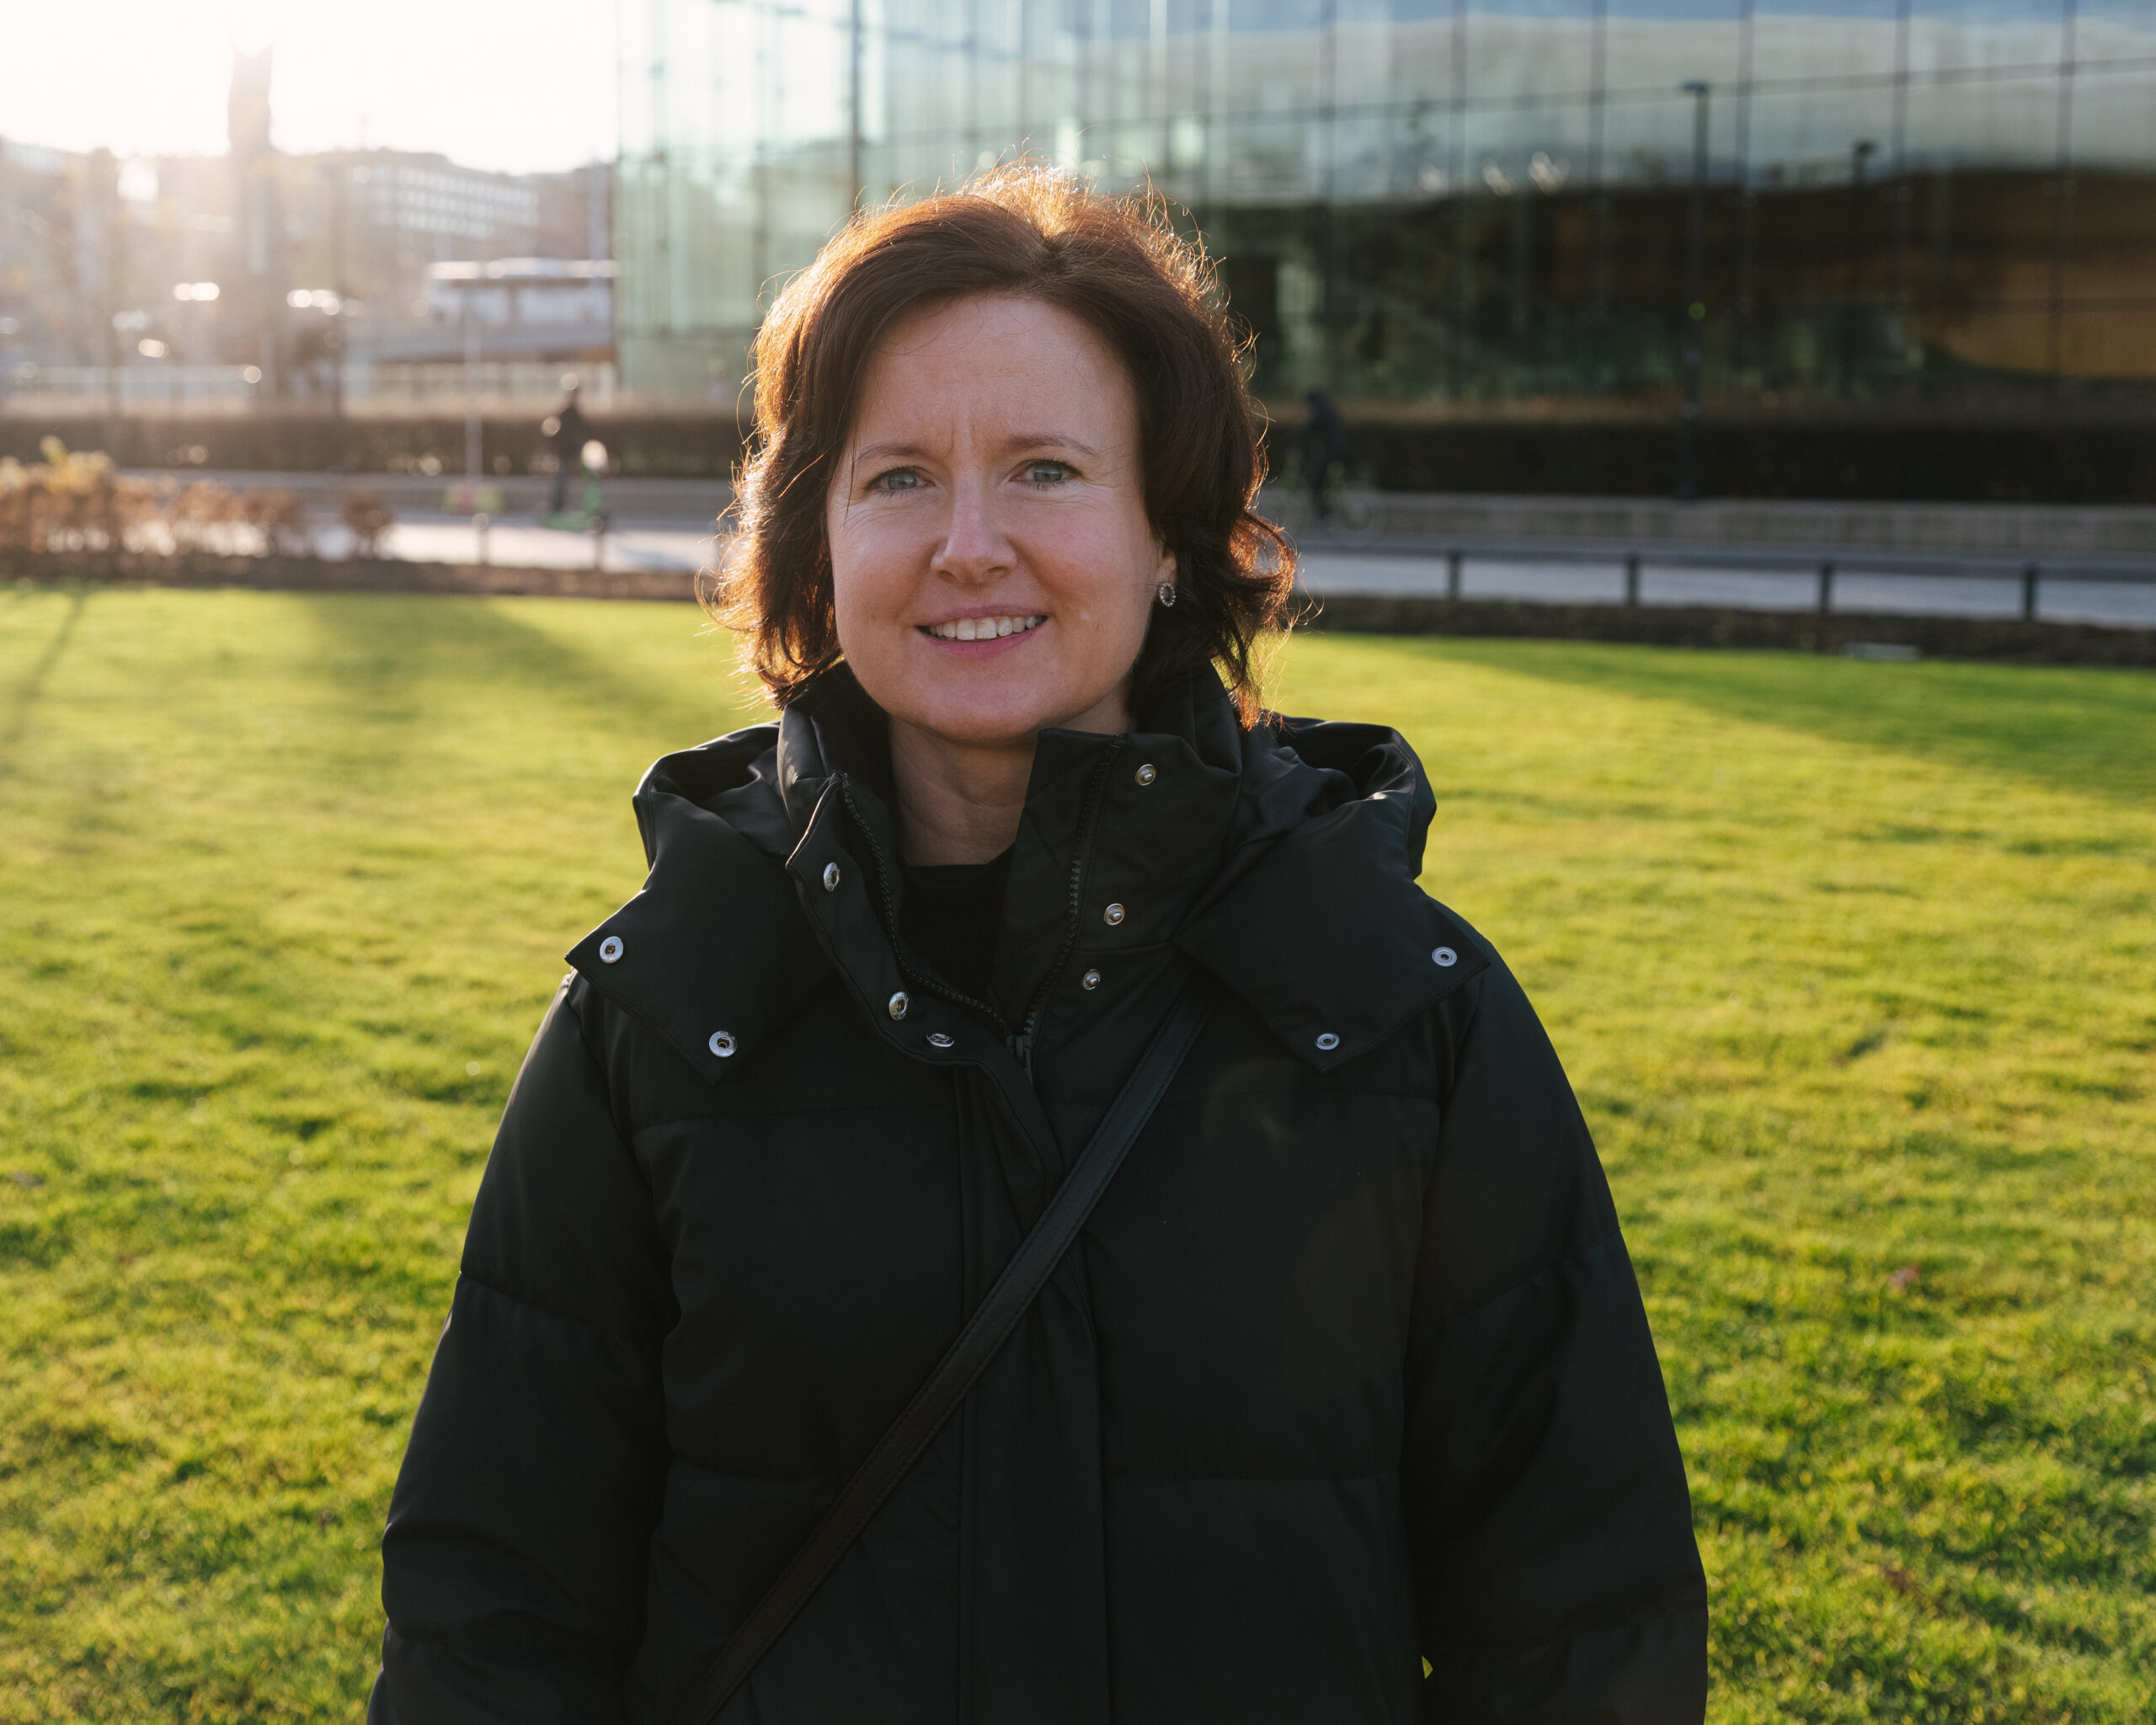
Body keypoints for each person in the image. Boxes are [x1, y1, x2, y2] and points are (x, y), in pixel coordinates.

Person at [371, 168, 1705, 1725]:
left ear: (1170, 537)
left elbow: (1576, 1620)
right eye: (897, 480)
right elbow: (497, 1607)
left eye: (1047, 469)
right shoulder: (665, 1006)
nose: (969, 543)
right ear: (814, 541)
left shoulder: (1401, 1006)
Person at [543, 377, 593, 518]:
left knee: (563, 480)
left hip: (568, 451)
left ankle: (557, 508)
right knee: (561, 481)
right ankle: (556, 509)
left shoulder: (571, 411)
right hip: (564, 451)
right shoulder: (567, 412)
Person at [1299, 386, 1348, 524]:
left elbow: (1309, 430)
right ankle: (1325, 511)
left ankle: (1325, 514)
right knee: (1321, 480)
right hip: (1337, 450)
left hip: (1333, 452)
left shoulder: (1320, 412)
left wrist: (1296, 443)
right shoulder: (1327, 409)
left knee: (1315, 481)